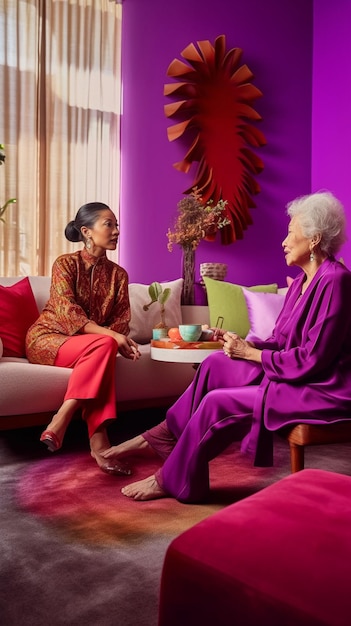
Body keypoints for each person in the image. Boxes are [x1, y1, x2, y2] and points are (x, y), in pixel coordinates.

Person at [102, 190, 351, 502]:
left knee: (216, 402)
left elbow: (314, 359)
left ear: (314, 239)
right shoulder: (301, 283)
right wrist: (239, 341)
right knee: (215, 363)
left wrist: (250, 354)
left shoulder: (335, 281)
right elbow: (279, 341)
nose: (284, 241)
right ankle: (167, 434)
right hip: (295, 372)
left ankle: (170, 478)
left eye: (291, 232)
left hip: (320, 387)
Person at [26, 201, 141, 475]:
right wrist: (112, 336)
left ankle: (64, 418)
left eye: (117, 225)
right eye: (109, 224)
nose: (116, 231)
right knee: (106, 343)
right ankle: (95, 437)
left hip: (91, 347)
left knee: (105, 345)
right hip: (48, 339)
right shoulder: (65, 264)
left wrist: (114, 335)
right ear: (87, 232)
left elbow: (121, 320)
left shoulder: (119, 276)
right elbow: (68, 314)